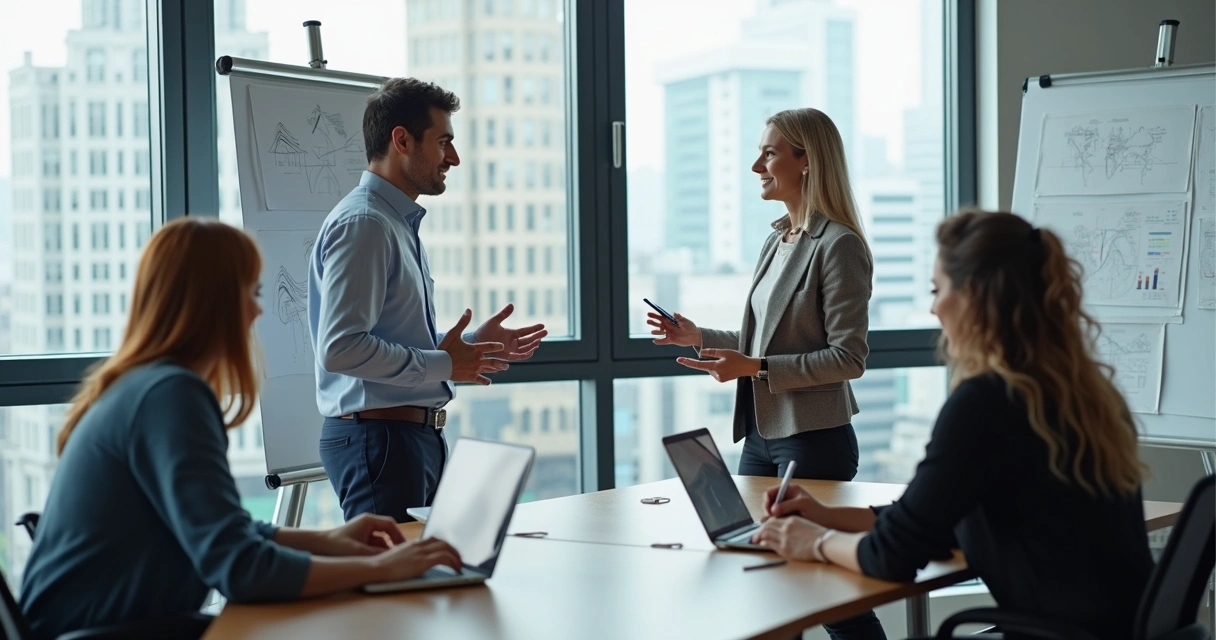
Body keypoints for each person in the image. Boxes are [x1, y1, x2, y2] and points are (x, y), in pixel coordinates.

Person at [19, 218, 463, 640]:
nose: (257, 309)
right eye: (249, 291)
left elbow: (225, 530)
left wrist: (330, 540)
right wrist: (381, 570)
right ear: (210, 303)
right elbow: (240, 567)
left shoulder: (143, 386)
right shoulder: (170, 396)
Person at [753, 210, 1153, 640]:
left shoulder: (987, 403)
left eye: (937, 289)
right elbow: (927, 517)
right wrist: (827, 516)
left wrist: (811, 541)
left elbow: (892, 556)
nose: (933, 307)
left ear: (975, 297)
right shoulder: (1081, 392)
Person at [648, 108, 883, 640]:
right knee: (767, 587)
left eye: (770, 152)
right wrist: (701, 336)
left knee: (830, 596)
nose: (757, 164)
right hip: (760, 435)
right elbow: (764, 343)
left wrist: (752, 367)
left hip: (814, 440)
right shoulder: (778, 240)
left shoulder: (838, 244)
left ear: (806, 161)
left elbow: (849, 358)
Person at [309, 78, 547, 522]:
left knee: (427, 580)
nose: (453, 158)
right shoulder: (366, 224)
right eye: (444, 143)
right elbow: (341, 348)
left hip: (406, 439)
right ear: (402, 140)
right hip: (380, 441)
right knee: (396, 586)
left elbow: (389, 336)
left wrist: (471, 345)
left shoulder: (394, 223)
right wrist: (444, 364)